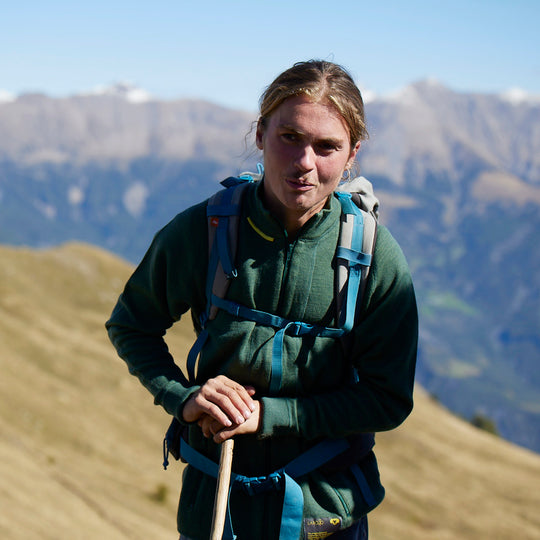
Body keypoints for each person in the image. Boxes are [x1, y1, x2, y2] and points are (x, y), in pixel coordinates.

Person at [106, 59, 418, 540]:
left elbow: (387, 399)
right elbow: (132, 324)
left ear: (352, 154)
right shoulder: (204, 232)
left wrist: (269, 417)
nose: (305, 163)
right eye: (289, 137)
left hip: (323, 515)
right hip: (217, 506)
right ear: (260, 133)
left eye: (327, 147)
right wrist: (183, 398)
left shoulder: (374, 257)